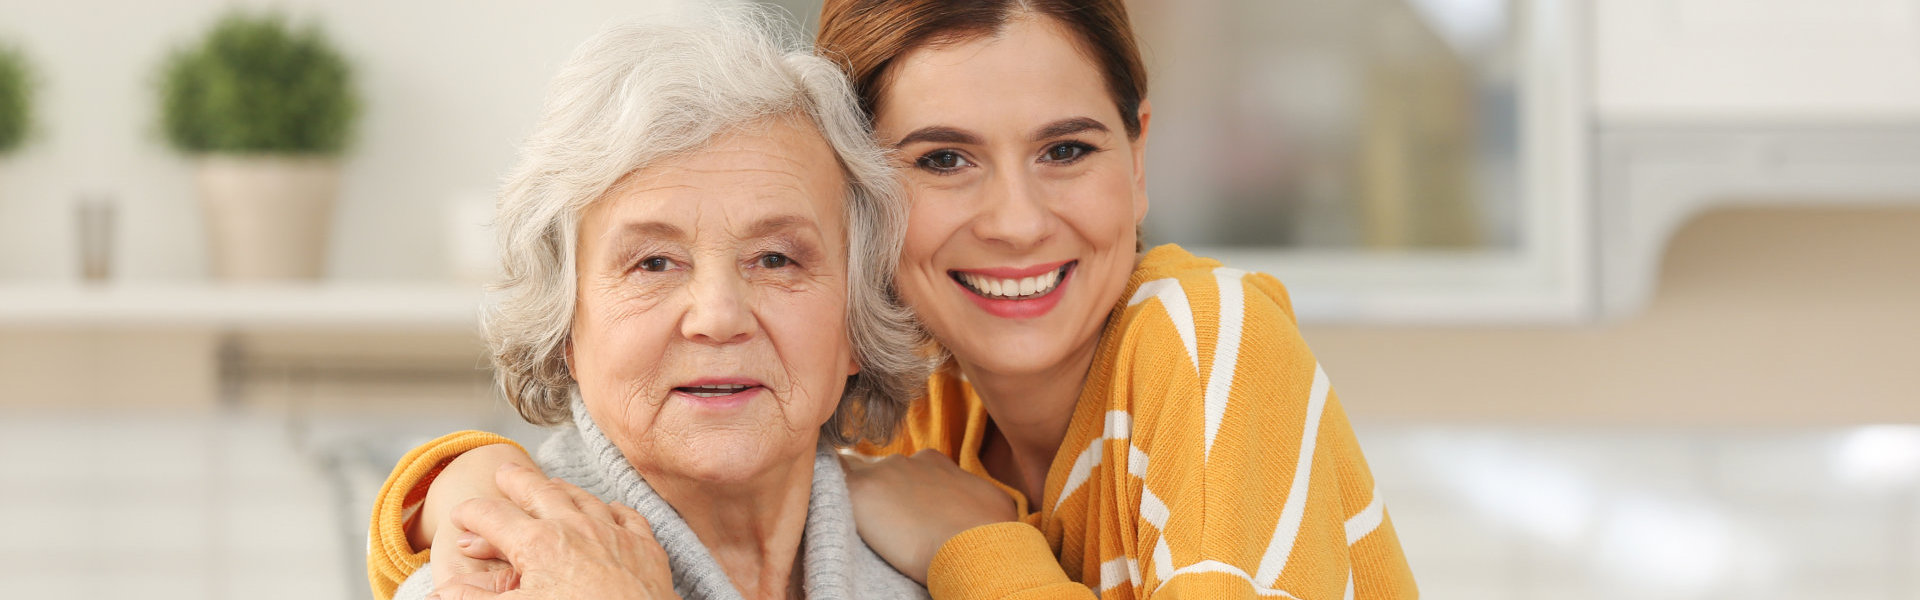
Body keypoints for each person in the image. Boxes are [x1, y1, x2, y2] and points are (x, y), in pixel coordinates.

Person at [377, 1, 1419, 598]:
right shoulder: (922, 406)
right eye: (946, 157)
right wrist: (457, 485)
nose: (1015, 220)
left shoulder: (1204, 341)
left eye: (779, 260)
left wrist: (981, 552)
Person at [363, 9, 934, 600]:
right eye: (654, 263)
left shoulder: (944, 561)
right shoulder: (488, 582)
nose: (718, 317)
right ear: (565, 330)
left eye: (775, 259)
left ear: (859, 318)